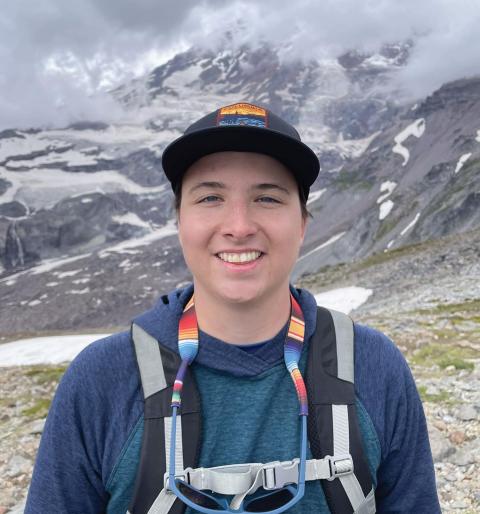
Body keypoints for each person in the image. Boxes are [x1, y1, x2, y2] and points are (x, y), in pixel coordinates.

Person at [25, 102, 441, 513]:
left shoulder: (373, 365)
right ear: (179, 222)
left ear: (302, 224)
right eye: (210, 198)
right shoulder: (101, 379)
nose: (239, 226)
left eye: (268, 198)